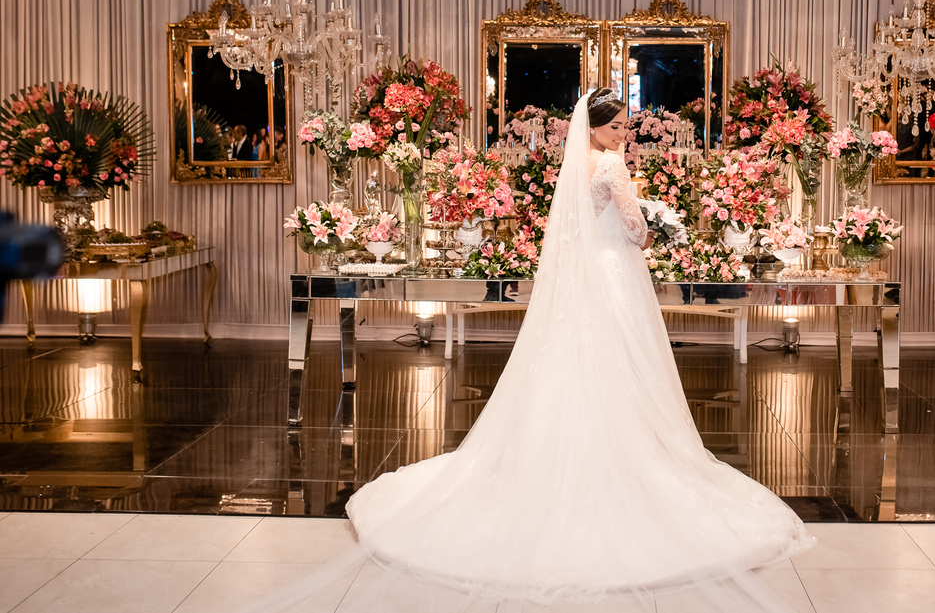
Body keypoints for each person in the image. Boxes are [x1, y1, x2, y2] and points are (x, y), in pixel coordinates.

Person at [246, 89, 813, 613]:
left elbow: (573, 234)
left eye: (626, 127)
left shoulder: (577, 170)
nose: (624, 135)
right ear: (593, 128)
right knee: (622, 367)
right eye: (616, 126)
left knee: (579, 366)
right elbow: (636, 231)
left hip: (585, 281)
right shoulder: (612, 167)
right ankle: (617, 461)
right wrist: (658, 224)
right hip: (616, 279)